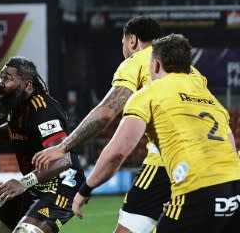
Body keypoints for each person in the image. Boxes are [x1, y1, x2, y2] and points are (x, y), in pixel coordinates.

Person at [33, 16, 205, 233]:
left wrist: (63, 146)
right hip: (210, 166)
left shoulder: (138, 60)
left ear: (132, 40)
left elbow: (105, 114)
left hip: (166, 162)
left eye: (123, 42)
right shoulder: (194, 73)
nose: (123, 47)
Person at [72, 34, 240, 231]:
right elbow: (231, 148)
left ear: (156, 65)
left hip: (197, 189)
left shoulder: (149, 94)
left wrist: (85, 189)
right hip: (234, 192)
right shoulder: (211, 101)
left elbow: (118, 152)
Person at [0, 57, 85, 233]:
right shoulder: (17, 106)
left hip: (63, 184)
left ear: (27, 85)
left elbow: (63, 160)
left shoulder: (43, 109)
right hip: (35, 183)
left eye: (8, 78)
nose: (1, 83)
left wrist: (24, 182)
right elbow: (9, 131)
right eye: (1, 77)